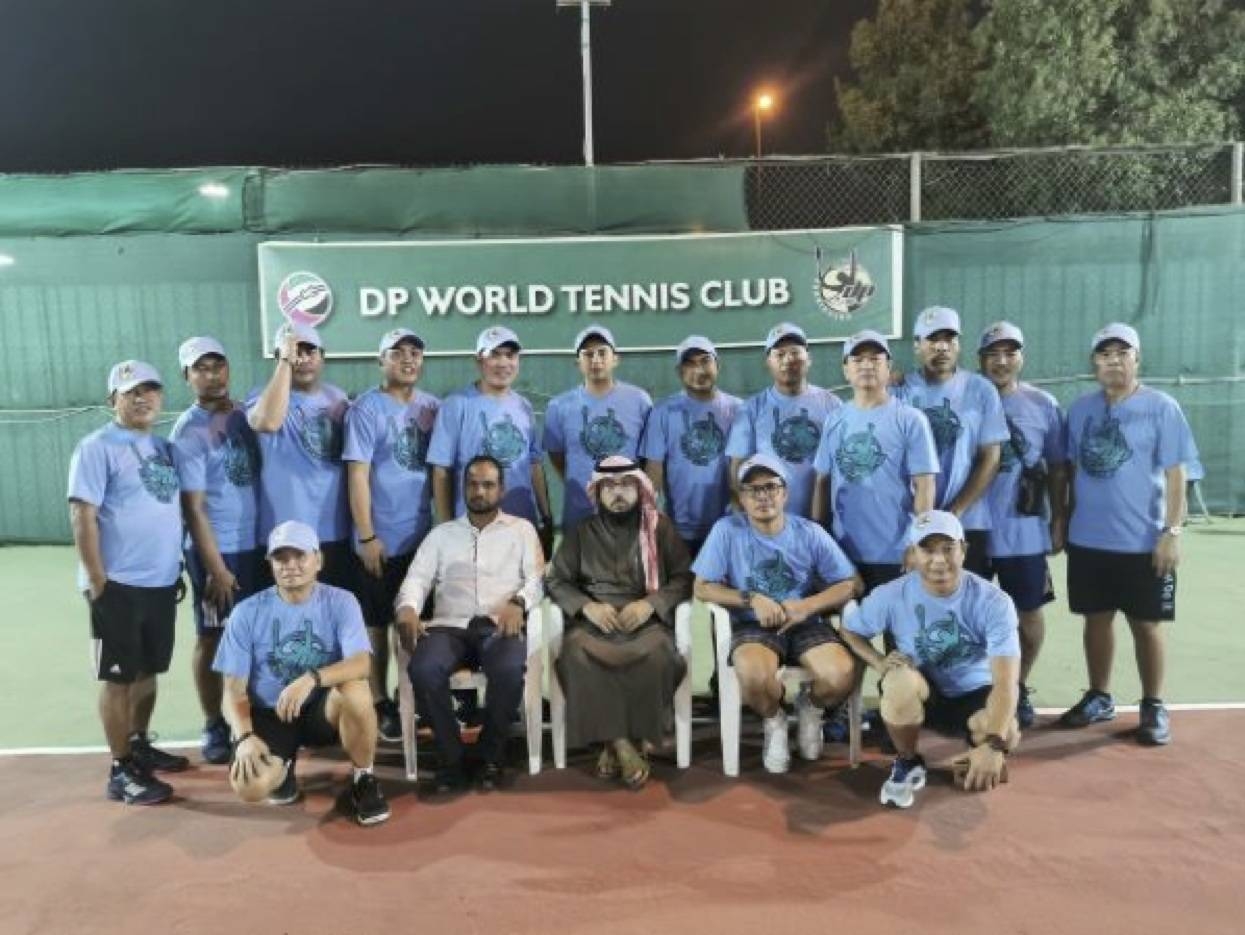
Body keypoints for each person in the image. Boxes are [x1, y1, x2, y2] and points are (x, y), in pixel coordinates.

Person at [1058, 323, 1193, 746]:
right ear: (1094, 362)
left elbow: (1177, 475)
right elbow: (1070, 470)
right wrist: (1062, 520)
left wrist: (1171, 531)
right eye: (1104, 354)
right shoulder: (1080, 410)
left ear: (1137, 358)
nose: (1113, 360)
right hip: (1088, 541)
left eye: (1122, 352)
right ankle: (1099, 695)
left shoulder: (1162, 407)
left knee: (1146, 625)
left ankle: (1153, 703)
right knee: (1095, 621)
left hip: (1142, 543)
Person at [841, 511, 1022, 809]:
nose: (938, 560)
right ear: (912, 554)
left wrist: (994, 744)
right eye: (927, 549)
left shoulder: (993, 601)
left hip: (974, 693)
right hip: (924, 689)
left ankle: (979, 751)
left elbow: (1006, 683)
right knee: (897, 681)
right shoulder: (890, 595)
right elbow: (849, 629)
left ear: (963, 550)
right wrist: (877, 661)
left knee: (1008, 732)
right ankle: (908, 761)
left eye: (948, 549)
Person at [213, 521, 389, 825]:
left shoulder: (342, 602)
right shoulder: (246, 613)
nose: (290, 565)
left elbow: (361, 663)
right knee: (251, 787)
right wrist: (244, 737)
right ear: (270, 564)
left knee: (357, 690)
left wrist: (312, 679)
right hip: (270, 716)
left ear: (318, 560)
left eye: (300, 556)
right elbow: (232, 691)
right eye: (281, 558)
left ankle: (363, 778)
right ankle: (283, 764)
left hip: (322, 710)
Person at [692, 454, 860, 773]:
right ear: (741, 498)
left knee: (840, 676)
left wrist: (807, 606)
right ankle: (775, 721)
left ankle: (810, 709)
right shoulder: (726, 531)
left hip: (805, 622)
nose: (763, 496)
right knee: (753, 676)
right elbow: (703, 588)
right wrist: (751, 598)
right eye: (753, 489)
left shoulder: (809, 533)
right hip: (754, 627)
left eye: (770, 486)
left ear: (784, 493)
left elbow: (849, 585)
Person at [68, 360, 188, 805]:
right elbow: (82, 514)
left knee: (148, 669)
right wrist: (99, 580)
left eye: (150, 390)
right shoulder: (96, 447)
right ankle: (120, 769)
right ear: (112, 401)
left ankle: (138, 743)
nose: (142, 398)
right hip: (117, 583)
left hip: (159, 581)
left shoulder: (163, 448)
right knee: (118, 677)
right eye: (131, 391)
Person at [395, 455, 545, 793]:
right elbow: (417, 579)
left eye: (488, 484)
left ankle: (490, 757)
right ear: (464, 488)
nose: (480, 491)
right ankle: (452, 758)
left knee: (507, 670)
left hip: (499, 623)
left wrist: (518, 602)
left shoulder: (521, 531)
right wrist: (407, 607)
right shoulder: (442, 534)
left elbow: (537, 580)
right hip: (450, 625)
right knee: (423, 668)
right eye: (473, 484)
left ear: (501, 489)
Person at [547, 456, 693, 789]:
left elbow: (684, 578)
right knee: (576, 655)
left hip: (646, 622)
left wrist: (650, 605)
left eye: (626, 484)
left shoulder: (659, 528)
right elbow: (557, 581)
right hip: (595, 623)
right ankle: (623, 743)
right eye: (609, 486)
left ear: (639, 488)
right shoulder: (581, 532)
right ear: (596, 492)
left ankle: (615, 743)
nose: (618, 493)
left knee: (657, 655)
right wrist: (586, 607)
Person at [169, 336, 264, 764]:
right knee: (213, 637)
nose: (211, 374)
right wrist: (215, 567)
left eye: (217, 365)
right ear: (187, 377)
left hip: (256, 545)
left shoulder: (245, 414)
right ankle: (214, 723)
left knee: (255, 637)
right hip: (217, 551)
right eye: (200, 368)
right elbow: (193, 507)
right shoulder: (187, 430)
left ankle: (251, 714)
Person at [342, 327, 439, 743]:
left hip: (422, 540)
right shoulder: (365, 410)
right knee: (377, 625)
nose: (407, 359)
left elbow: (441, 473)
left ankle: (415, 695)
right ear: (380, 361)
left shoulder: (433, 408)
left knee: (422, 622)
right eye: (397, 352)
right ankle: (380, 700)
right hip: (380, 540)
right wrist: (367, 536)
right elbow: (358, 475)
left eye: (415, 352)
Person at [976, 322, 1068, 728]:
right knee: (966, 618)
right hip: (970, 531)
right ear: (980, 360)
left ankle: (1019, 688)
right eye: (993, 353)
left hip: (1023, 531)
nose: (1001, 361)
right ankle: (972, 690)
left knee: (1029, 615)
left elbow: (1059, 468)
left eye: (1009, 353)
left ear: (1021, 357)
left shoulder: (1043, 405)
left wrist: (1060, 517)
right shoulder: (965, 399)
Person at [811, 329, 938, 594]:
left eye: (875, 359)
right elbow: (822, 481)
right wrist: (819, 544)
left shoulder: (911, 420)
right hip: (844, 555)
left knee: (900, 635)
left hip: (896, 553)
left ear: (888, 367)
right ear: (846, 369)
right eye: (857, 360)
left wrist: (918, 543)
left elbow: (925, 487)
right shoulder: (835, 420)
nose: (867, 365)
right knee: (849, 632)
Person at [894, 306, 1009, 577]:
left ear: (958, 344)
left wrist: (956, 510)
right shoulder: (900, 391)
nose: (942, 347)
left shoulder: (981, 389)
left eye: (949, 339)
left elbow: (990, 458)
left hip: (968, 522)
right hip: (912, 525)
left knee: (967, 607)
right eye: (933, 339)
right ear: (917, 345)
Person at [247, 322, 354, 591]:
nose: (302, 359)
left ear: (322, 357)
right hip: (285, 531)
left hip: (335, 530)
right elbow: (267, 422)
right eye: (295, 352)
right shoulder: (263, 396)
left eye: (309, 351)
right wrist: (285, 361)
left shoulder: (338, 398)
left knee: (332, 617)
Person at [426, 326, 554, 549]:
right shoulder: (456, 405)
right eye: (494, 354)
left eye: (510, 355)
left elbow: (534, 465)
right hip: (472, 533)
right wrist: (446, 530)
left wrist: (546, 516)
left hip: (522, 527)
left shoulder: (524, 406)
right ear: (479, 361)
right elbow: (441, 472)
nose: (503, 363)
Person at [726, 322, 843, 519]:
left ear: (809, 358)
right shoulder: (751, 409)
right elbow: (738, 467)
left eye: (795, 352)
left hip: (824, 522)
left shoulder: (833, 405)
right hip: (771, 522)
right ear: (768, 362)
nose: (788, 360)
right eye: (779, 354)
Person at [543, 326, 653, 533]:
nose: (595, 360)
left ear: (615, 359)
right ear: (577, 362)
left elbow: (648, 457)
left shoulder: (639, 401)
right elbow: (557, 457)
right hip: (580, 516)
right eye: (588, 354)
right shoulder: (559, 407)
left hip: (628, 514)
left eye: (602, 352)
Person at [641, 335, 741, 560]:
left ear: (718, 365)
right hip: (679, 529)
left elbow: (743, 470)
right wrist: (648, 519)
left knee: (722, 593)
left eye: (705, 361)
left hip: (727, 528)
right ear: (679, 372)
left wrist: (742, 518)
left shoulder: (739, 410)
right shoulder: (663, 412)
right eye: (690, 364)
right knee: (680, 592)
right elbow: (654, 470)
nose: (699, 370)